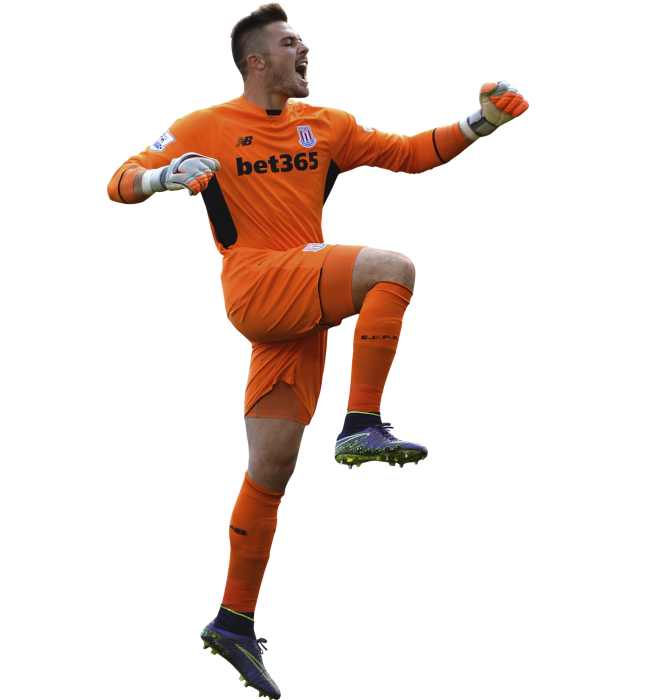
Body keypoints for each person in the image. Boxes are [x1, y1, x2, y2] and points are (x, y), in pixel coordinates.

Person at [106, 4, 529, 698]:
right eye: (289, 42)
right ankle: (361, 422)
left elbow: (411, 153)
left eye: (301, 39)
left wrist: (482, 121)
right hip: (257, 282)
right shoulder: (203, 124)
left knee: (270, 472)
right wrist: (164, 176)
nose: (304, 49)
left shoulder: (328, 124)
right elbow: (119, 180)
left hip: (297, 306)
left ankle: (233, 621)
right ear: (255, 61)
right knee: (394, 269)